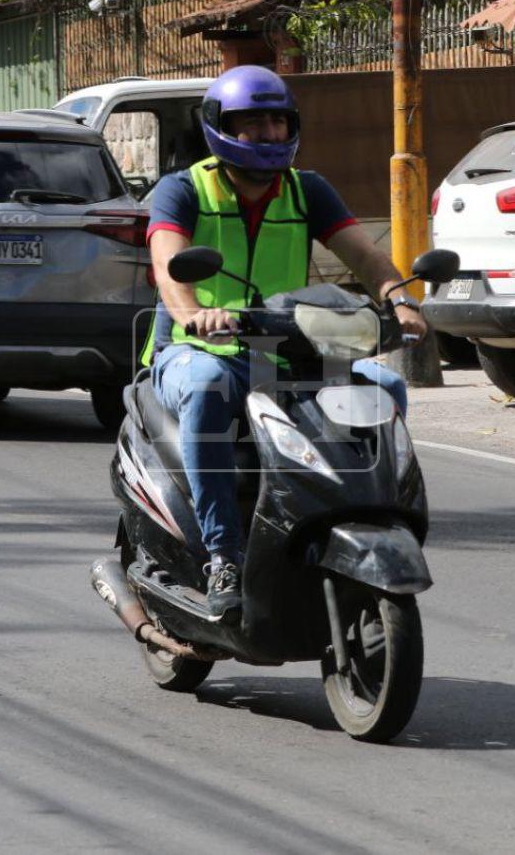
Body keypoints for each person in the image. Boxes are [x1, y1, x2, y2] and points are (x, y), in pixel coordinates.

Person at [142, 65, 428, 615]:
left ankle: (374, 517)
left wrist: (399, 299)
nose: (270, 134)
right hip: (197, 348)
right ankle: (222, 551)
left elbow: (364, 256)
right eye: (253, 124)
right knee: (206, 388)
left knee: (385, 386)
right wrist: (195, 313)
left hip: (285, 352)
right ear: (221, 127)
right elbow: (168, 266)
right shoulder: (182, 189)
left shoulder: (307, 188)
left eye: (278, 121)